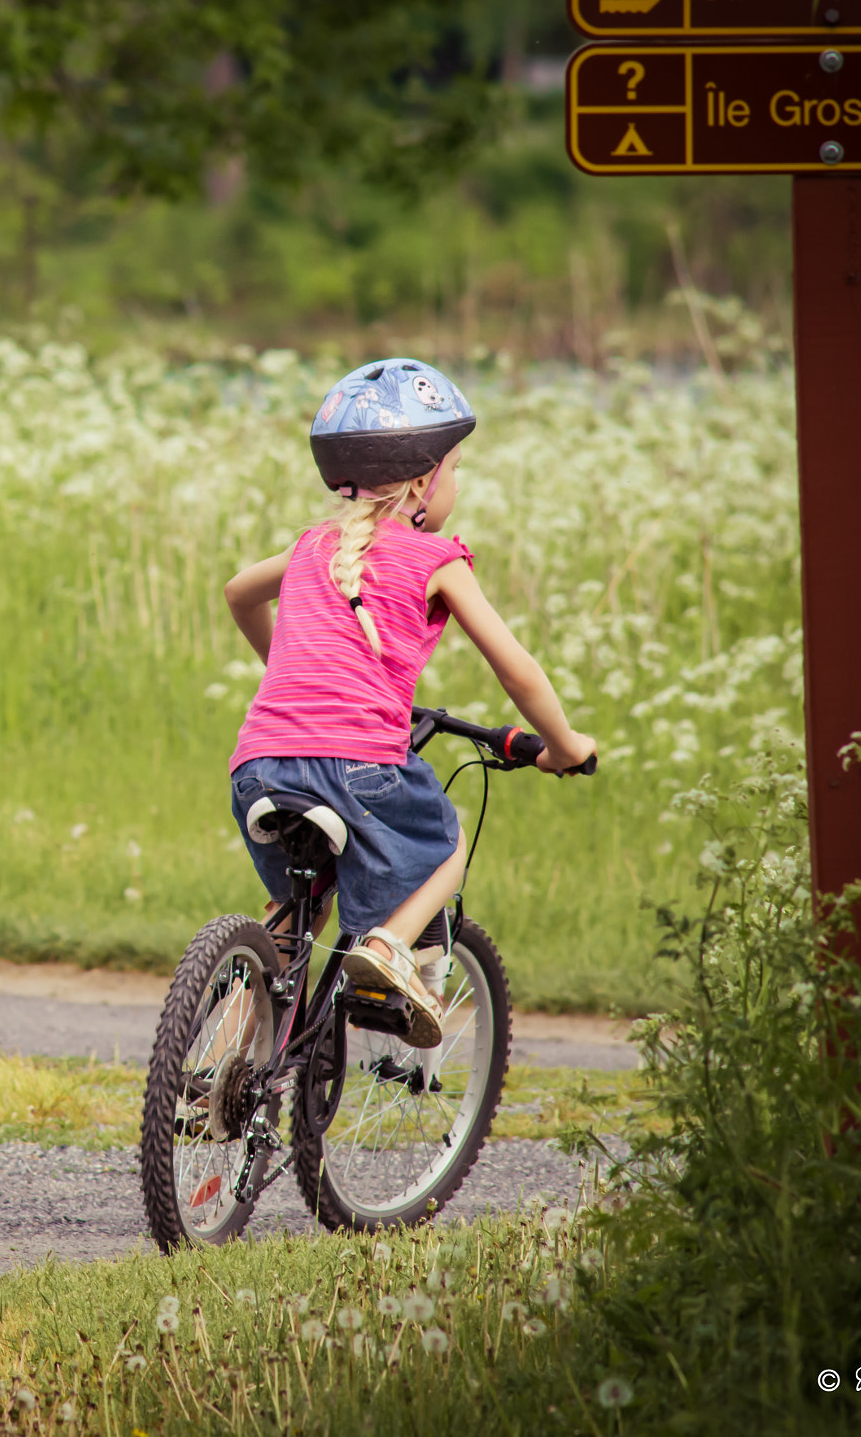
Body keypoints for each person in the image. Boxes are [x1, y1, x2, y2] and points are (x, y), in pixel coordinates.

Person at [222, 358, 594, 1045]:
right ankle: (390, 945)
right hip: (359, 765)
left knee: (289, 914)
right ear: (424, 479)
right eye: (457, 467)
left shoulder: (313, 547)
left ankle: (222, 1073)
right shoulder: (435, 558)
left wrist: (290, 669)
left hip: (260, 766)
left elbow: (239, 592)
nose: (458, 482)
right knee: (444, 840)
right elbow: (516, 670)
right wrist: (565, 744)